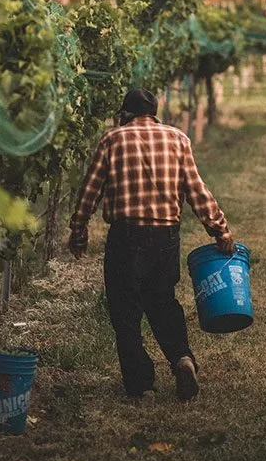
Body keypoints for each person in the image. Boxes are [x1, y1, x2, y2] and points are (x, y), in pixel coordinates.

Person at [69, 89, 235, 402]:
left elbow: (90, 190)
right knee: (162, 301)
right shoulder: (178, 139)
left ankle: (141, 386)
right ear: (154, 113)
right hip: (165, 235)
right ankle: (181, 359)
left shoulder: (112, 140)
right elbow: (197, 190)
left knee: (125, 311)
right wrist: (219, 230)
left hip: (126, 236)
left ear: (125, 114)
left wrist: (79, 230)